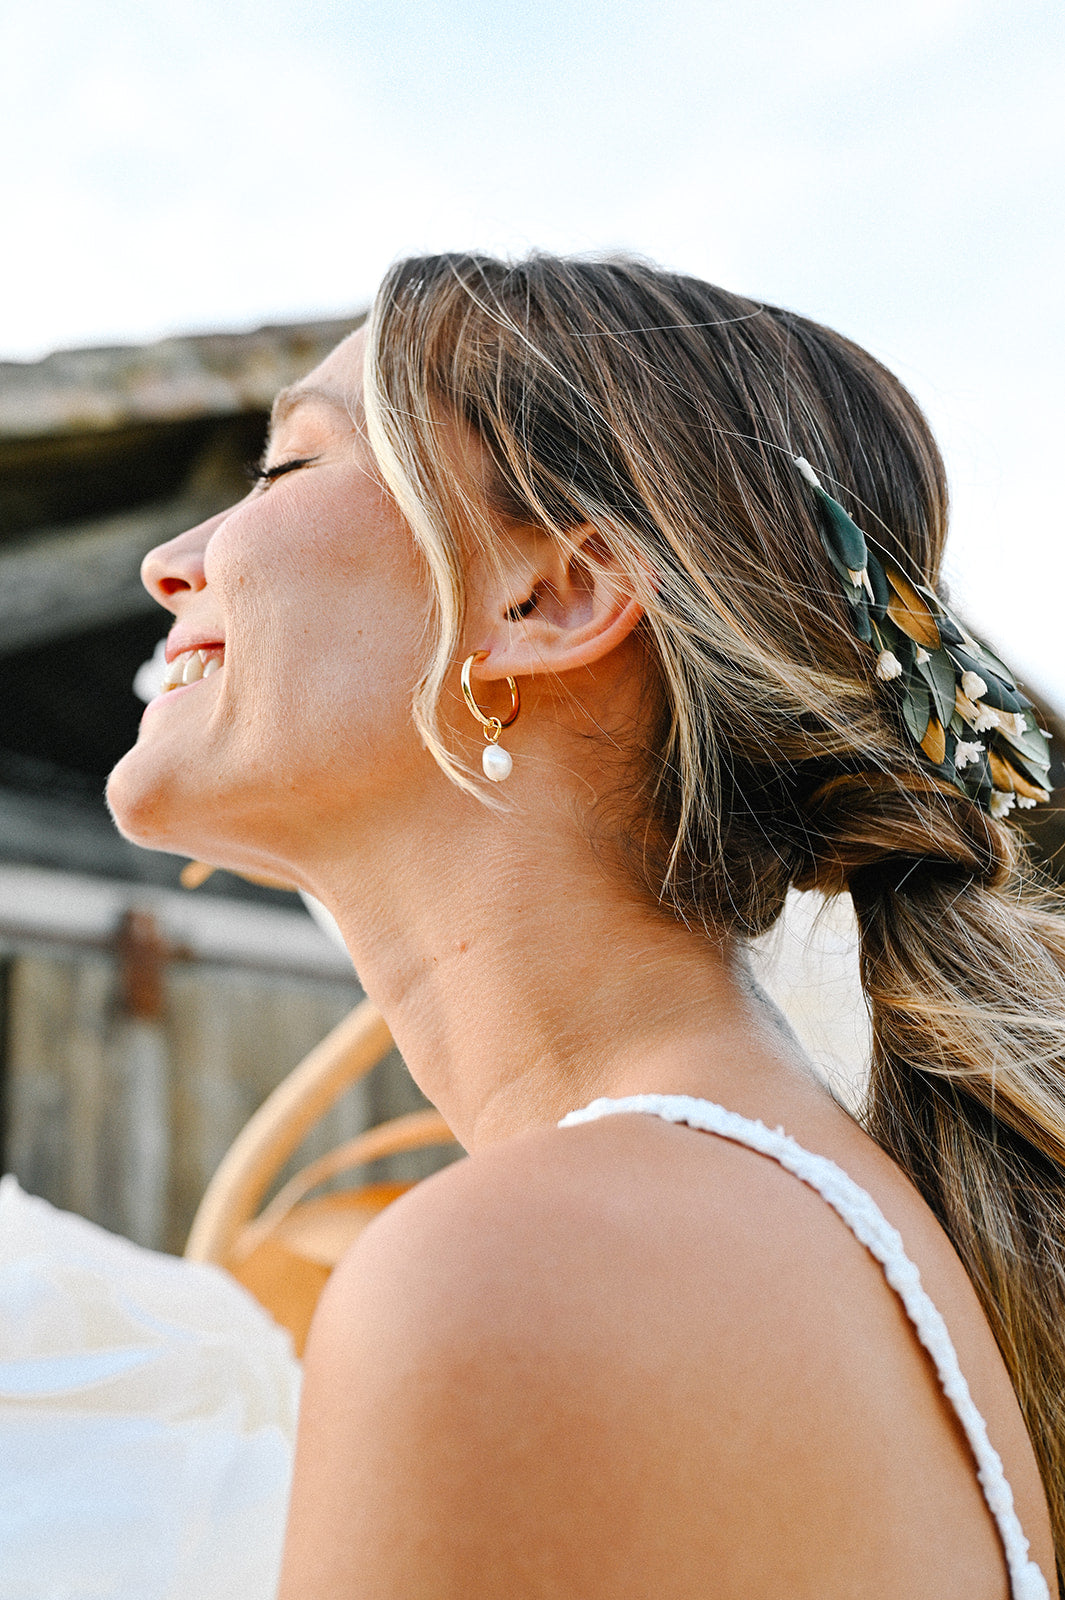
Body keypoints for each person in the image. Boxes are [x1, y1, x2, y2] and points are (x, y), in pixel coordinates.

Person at [107, 252, 1063, 1598]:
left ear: (547, 601)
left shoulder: (523, 1271)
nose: (168, 564)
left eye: (285, 471)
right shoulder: (770, 1226)